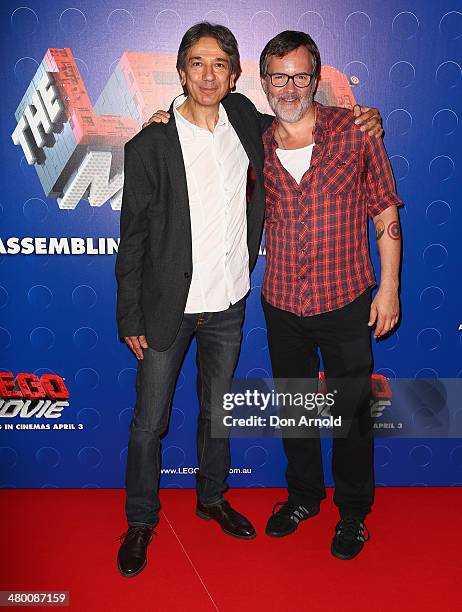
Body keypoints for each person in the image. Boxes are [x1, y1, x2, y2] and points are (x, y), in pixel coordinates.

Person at [117, 22, 382, 577]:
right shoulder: (150, 142)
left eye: (219, 64)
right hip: (169, 304)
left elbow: (302, 112)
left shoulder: (247, 124)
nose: (209, 74)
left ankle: (212, 498)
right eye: (197, 63)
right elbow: (134, 235)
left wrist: (366, 118)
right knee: (149, 422)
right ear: (181, 70)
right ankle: (140, 520)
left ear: (235, 74)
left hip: (231, 302)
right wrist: (130, 313)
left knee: (217, 413)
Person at [258, 31, 402, 560]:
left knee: (351, 413)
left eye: (300, 75)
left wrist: (388, 290)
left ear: (315, 79)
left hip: (346, 300)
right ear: (265, 81)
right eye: (280, 76)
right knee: (296, 409)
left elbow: (385, 210)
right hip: (281, 304)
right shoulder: (254, 141)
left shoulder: (356, 130)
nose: (290, 86)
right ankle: (302, 497)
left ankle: (354, 513)